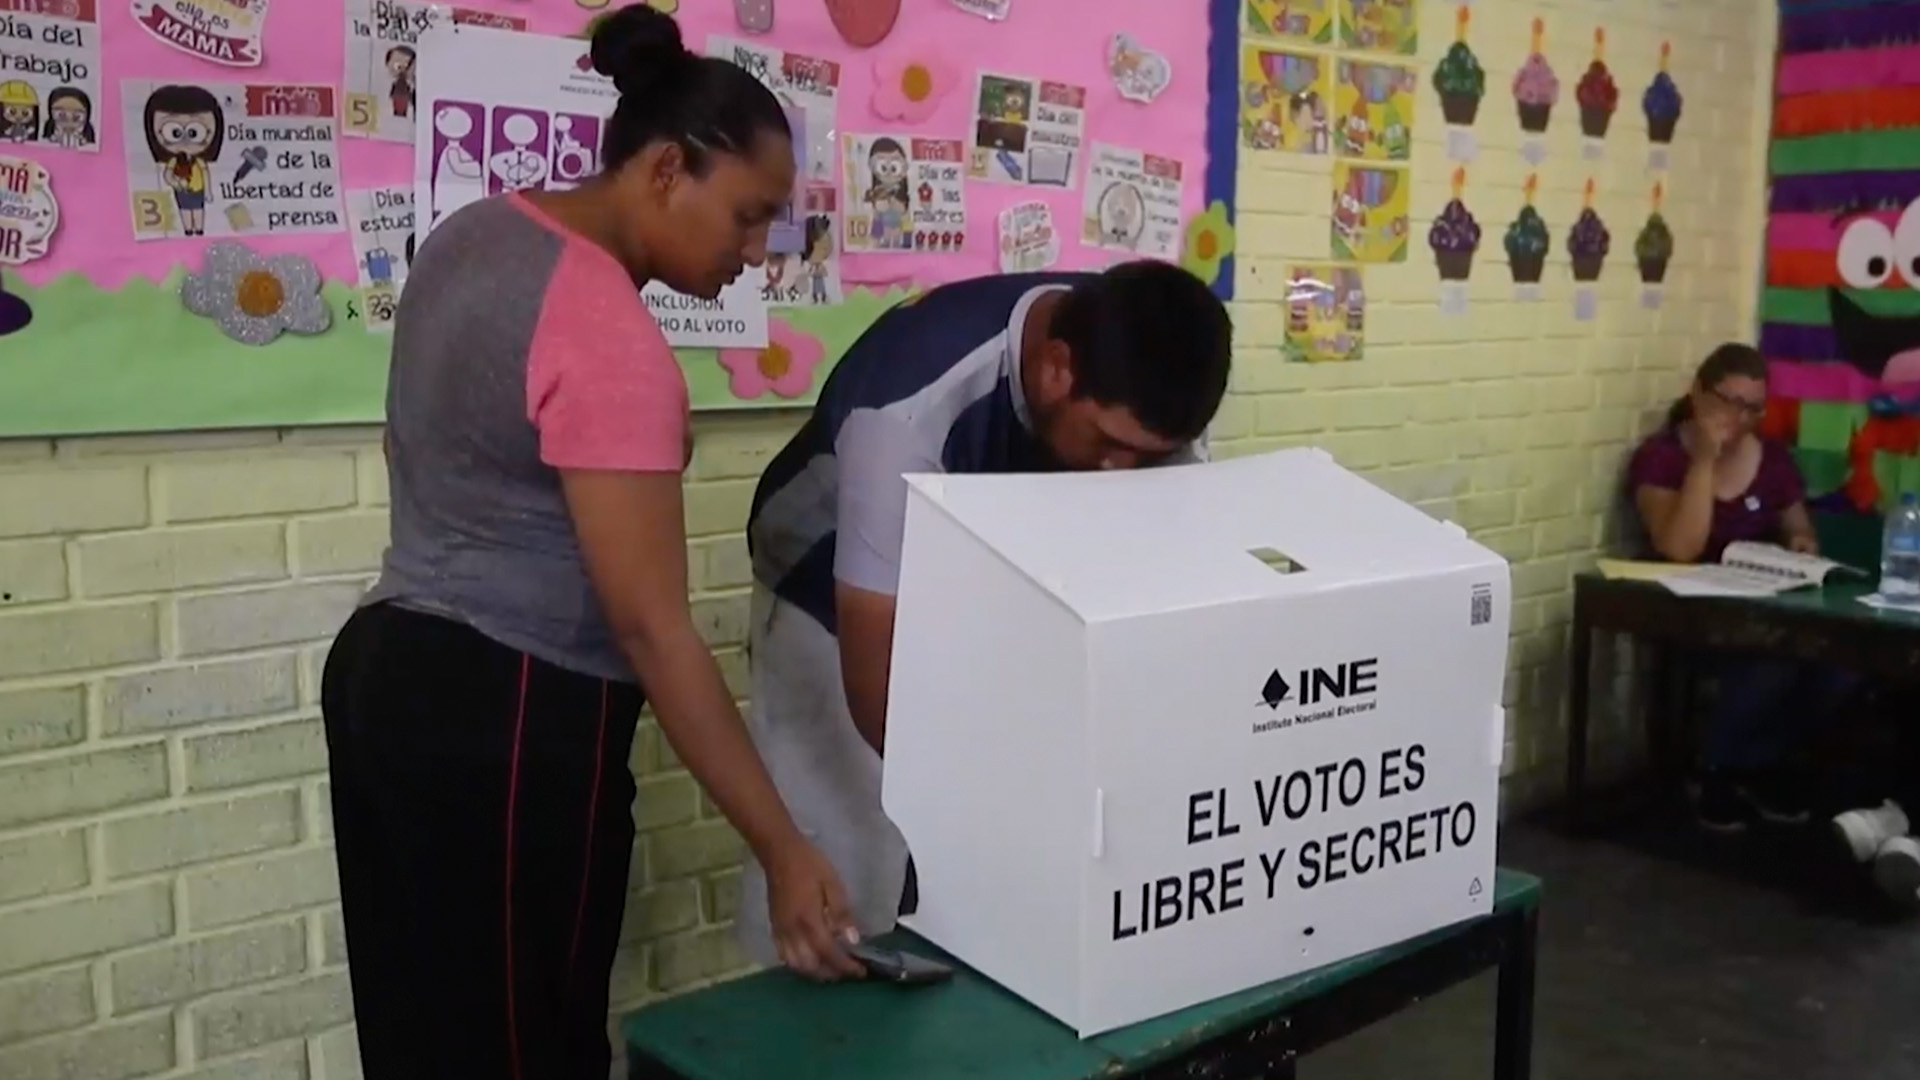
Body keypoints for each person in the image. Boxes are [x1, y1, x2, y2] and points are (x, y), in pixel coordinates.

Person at [320, 8, 862, 1079]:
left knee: (421, 1047)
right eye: (748, 216)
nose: (756, 254)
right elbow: (655, 631)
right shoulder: (608, 334)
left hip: (384, 676)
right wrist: (783, 846)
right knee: (532, 1053)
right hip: (510, 719)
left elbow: (409, 445)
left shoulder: (471, 234)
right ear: (666, 169)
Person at [734, 262, 1233, 962]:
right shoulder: (906, 411)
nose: (1120, 474)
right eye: (1108, 446)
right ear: (1057, 370)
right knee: (853, 855)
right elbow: (876, 688)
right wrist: (1003, 795)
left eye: (1146, 457)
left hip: (985, 587)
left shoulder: (1149, 369)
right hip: (827, 597)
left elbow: (1168, 589)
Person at [1627, 342, 1854, 831]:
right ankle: (1714, 770)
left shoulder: (1771, 459)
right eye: (1730, 402)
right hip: (1691, 611)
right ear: (1698, 394)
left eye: (1753, 408)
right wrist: (1704, 461)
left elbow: (1799, 526)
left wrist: (1800, 543)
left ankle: (1760, 763)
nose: (1740, 418)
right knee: (1770, 661)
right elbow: (1680, 546)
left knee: (1837, 666)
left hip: (1759, 603)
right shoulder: (1661, 458)